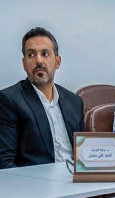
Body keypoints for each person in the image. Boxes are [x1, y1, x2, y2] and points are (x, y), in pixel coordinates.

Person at [0, 27, 84, 169]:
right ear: (24, 63)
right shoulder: (9, 100)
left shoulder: (74, 102)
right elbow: (4, 163)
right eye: (31, 55)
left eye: (45, 54)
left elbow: (85, 155)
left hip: (74, 178)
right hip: (36, 181)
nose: (38, 60)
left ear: (57, 62)